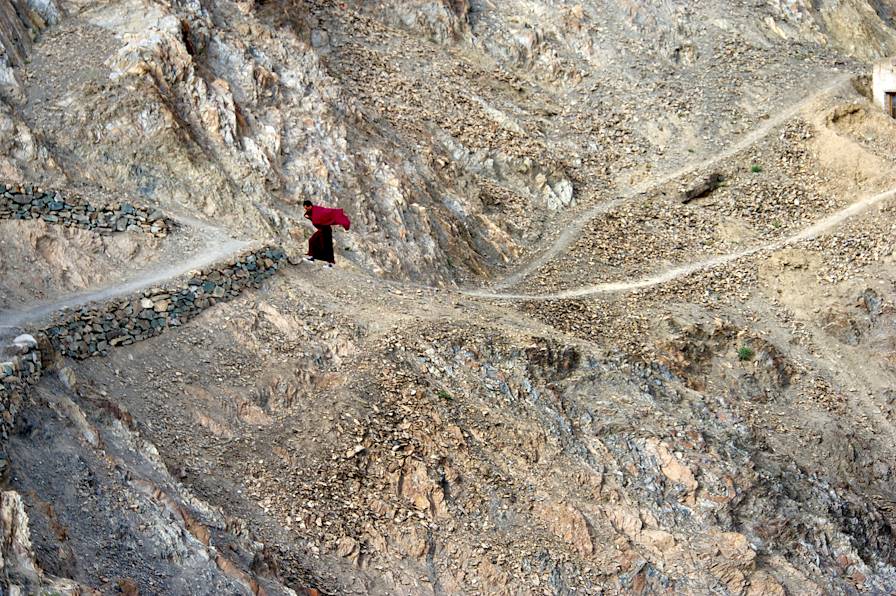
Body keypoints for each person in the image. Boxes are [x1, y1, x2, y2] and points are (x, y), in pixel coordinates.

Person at [303, 200, 351, 268]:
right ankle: (312, 258)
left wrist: (341, 217)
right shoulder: (312, 211)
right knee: (312, 241)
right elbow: (314, 219)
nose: (306, 209)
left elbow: (329, 212)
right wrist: (309, 217)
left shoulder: (318, 211)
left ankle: (330, 263)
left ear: (310, 206)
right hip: (321, 230)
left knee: (327, 246)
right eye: (305, 208)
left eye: (306, 208)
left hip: (326, 230)